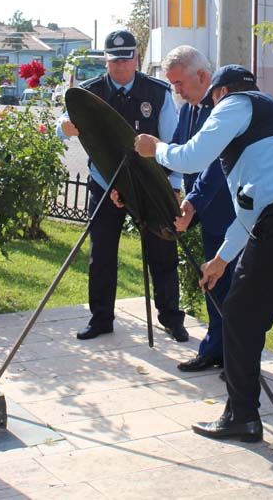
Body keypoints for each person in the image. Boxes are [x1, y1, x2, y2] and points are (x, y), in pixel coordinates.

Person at [134, 65, 273, 443]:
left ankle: (243, 416)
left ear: (220, 91)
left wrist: (157, 149)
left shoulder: (234, 103)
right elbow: (254, 209)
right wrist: (221, 260)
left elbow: (190, 158)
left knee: (238, 315)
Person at [57, 31, 187, 343]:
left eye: (126, 58)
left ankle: (171, 317)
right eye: (114, 59)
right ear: (106, 60)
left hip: (149, 185)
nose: (120, 65)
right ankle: (101, 318)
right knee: (101, 253)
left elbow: (172, 143)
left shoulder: (157, 92)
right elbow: (66, 120)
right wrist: (64, 126)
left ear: (136, 58)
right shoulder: (90, 91)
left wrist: (174, 186)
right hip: (104, 183)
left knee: (163, 250)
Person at [163, 46, 236, 373]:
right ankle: (214, 349)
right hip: (207, 213)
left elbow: (216, 165)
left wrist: (192, 203)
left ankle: (238, 360)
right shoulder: (188, 110)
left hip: (234, 216)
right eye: (173, 84)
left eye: (179, 83)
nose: (176, 91)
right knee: (213, 283)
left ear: (202, 76)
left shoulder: (224, 108)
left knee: (235, 291)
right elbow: (176, 152)